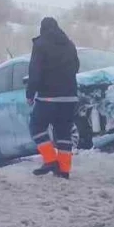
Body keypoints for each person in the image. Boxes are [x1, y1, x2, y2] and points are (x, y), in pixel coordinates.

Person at [27, 17, 81, 179]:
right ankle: (64, 170)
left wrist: (30, 93)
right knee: (64, 133)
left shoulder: (40, 45)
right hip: (70, 97)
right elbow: (76, 66)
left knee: (36, 126)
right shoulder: (70, 44)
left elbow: (34, 72)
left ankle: (50, 159)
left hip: (48, 97)